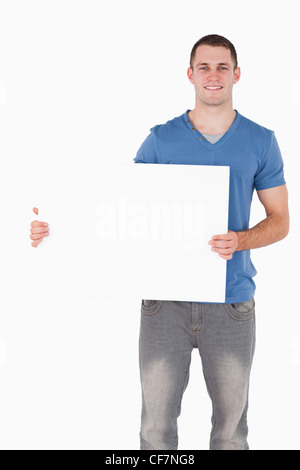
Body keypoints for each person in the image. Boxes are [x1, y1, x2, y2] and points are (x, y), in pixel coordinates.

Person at [30, 34, 289, 450]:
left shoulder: (261, 141)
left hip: (231, 302)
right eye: (204, 67)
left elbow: (280, 222)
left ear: (236, 74)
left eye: (222, 67)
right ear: (190, 74)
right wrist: (57, 227)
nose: (213, 75)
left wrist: (240, 239)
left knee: (231, 432)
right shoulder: (161, 140)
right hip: (163, 304)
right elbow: (116, 210)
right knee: (155, 431)